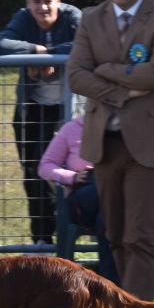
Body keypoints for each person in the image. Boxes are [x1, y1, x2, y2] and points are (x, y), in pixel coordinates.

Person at [66, 0, 154, 308]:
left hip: (151, 147)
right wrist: (120, 92)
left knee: (141, 237)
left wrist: (106, 71)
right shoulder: (91, 17)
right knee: (114, 234)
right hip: (106, 144)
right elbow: (75, 75)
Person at [0, 0, 82, 246]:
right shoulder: (22, 18)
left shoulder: (73, 17)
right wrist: (37, 51)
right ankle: (41, 240)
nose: (43, 8)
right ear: (28, 3)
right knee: (33, 175)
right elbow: (0, 44)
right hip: (31, 110)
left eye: (48, 1)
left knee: (64, 174)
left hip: (67, 112)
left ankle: (67, 239)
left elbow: (90, 43)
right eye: (37, 2)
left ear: (59, 0)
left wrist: (52, 55)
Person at [37, 102, 119, 283]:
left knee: (106, 214)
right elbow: (45, 166)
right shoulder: (71, 129)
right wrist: (72, 177)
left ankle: (108, 283)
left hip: (115, 192)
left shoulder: (124, 129)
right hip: (83, 193)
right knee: (107, 206)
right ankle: (114, 283)